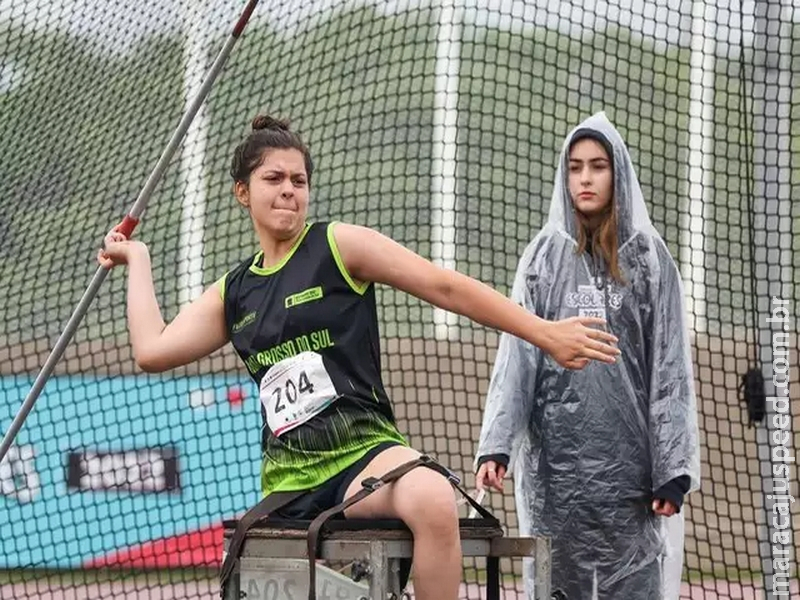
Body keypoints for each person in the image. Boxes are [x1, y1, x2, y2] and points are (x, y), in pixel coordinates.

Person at [97, 114, 620, 600]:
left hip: (364, 456)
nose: (288, 190)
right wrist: (136, 259)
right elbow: (152, 350)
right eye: (273, 179)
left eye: (298, 181)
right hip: (291, 480)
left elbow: (446, 287)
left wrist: (544, 332)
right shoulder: (235, 292)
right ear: (242, 192)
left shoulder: (337, 246)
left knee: (435, 499)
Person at [474, 112, 700, 600]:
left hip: (631, 479)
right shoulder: (543, 258)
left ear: (617, 172)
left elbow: (669, 368)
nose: (585, 178)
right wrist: (497, 444)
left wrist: (672, 469)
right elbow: (518, 357)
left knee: (635, 584)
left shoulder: (650, 260)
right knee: (556, 584)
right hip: (556, 473)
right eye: (575, 167)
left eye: (597, 166)